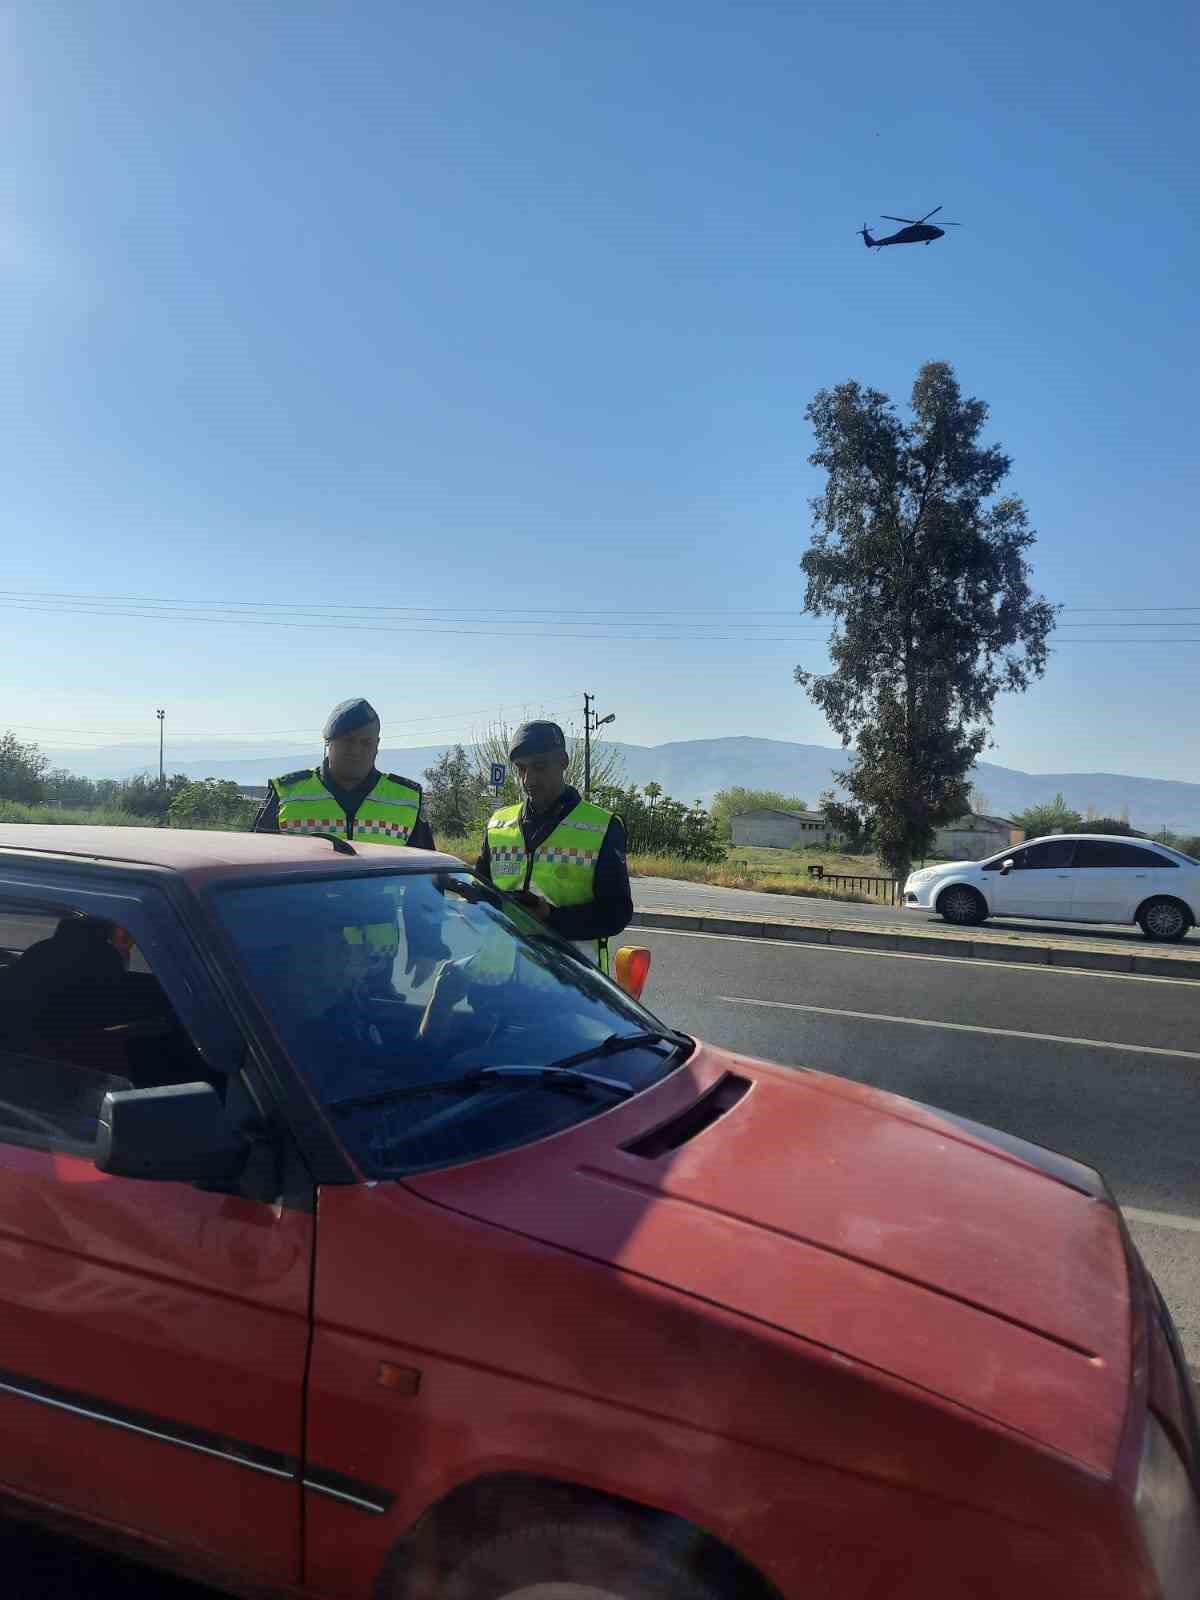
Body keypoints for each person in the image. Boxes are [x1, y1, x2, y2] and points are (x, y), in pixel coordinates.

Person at [476, 720, 632, 974]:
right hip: (498, 981)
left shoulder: (602, 827)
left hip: (569, 984)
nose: (528, 779)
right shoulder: (498, 824)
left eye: (539, 767)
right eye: (521, 769)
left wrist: (550, 917)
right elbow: (481, 894)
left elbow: (616, 913)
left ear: (563, 761)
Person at [252, 697, 435, 849]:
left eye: (366, 743)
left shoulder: (407, 798)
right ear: (328, 743)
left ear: (377, 746)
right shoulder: (286, 793)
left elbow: (429, 875)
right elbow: (256, 863)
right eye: (347, 741)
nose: (356, 750)